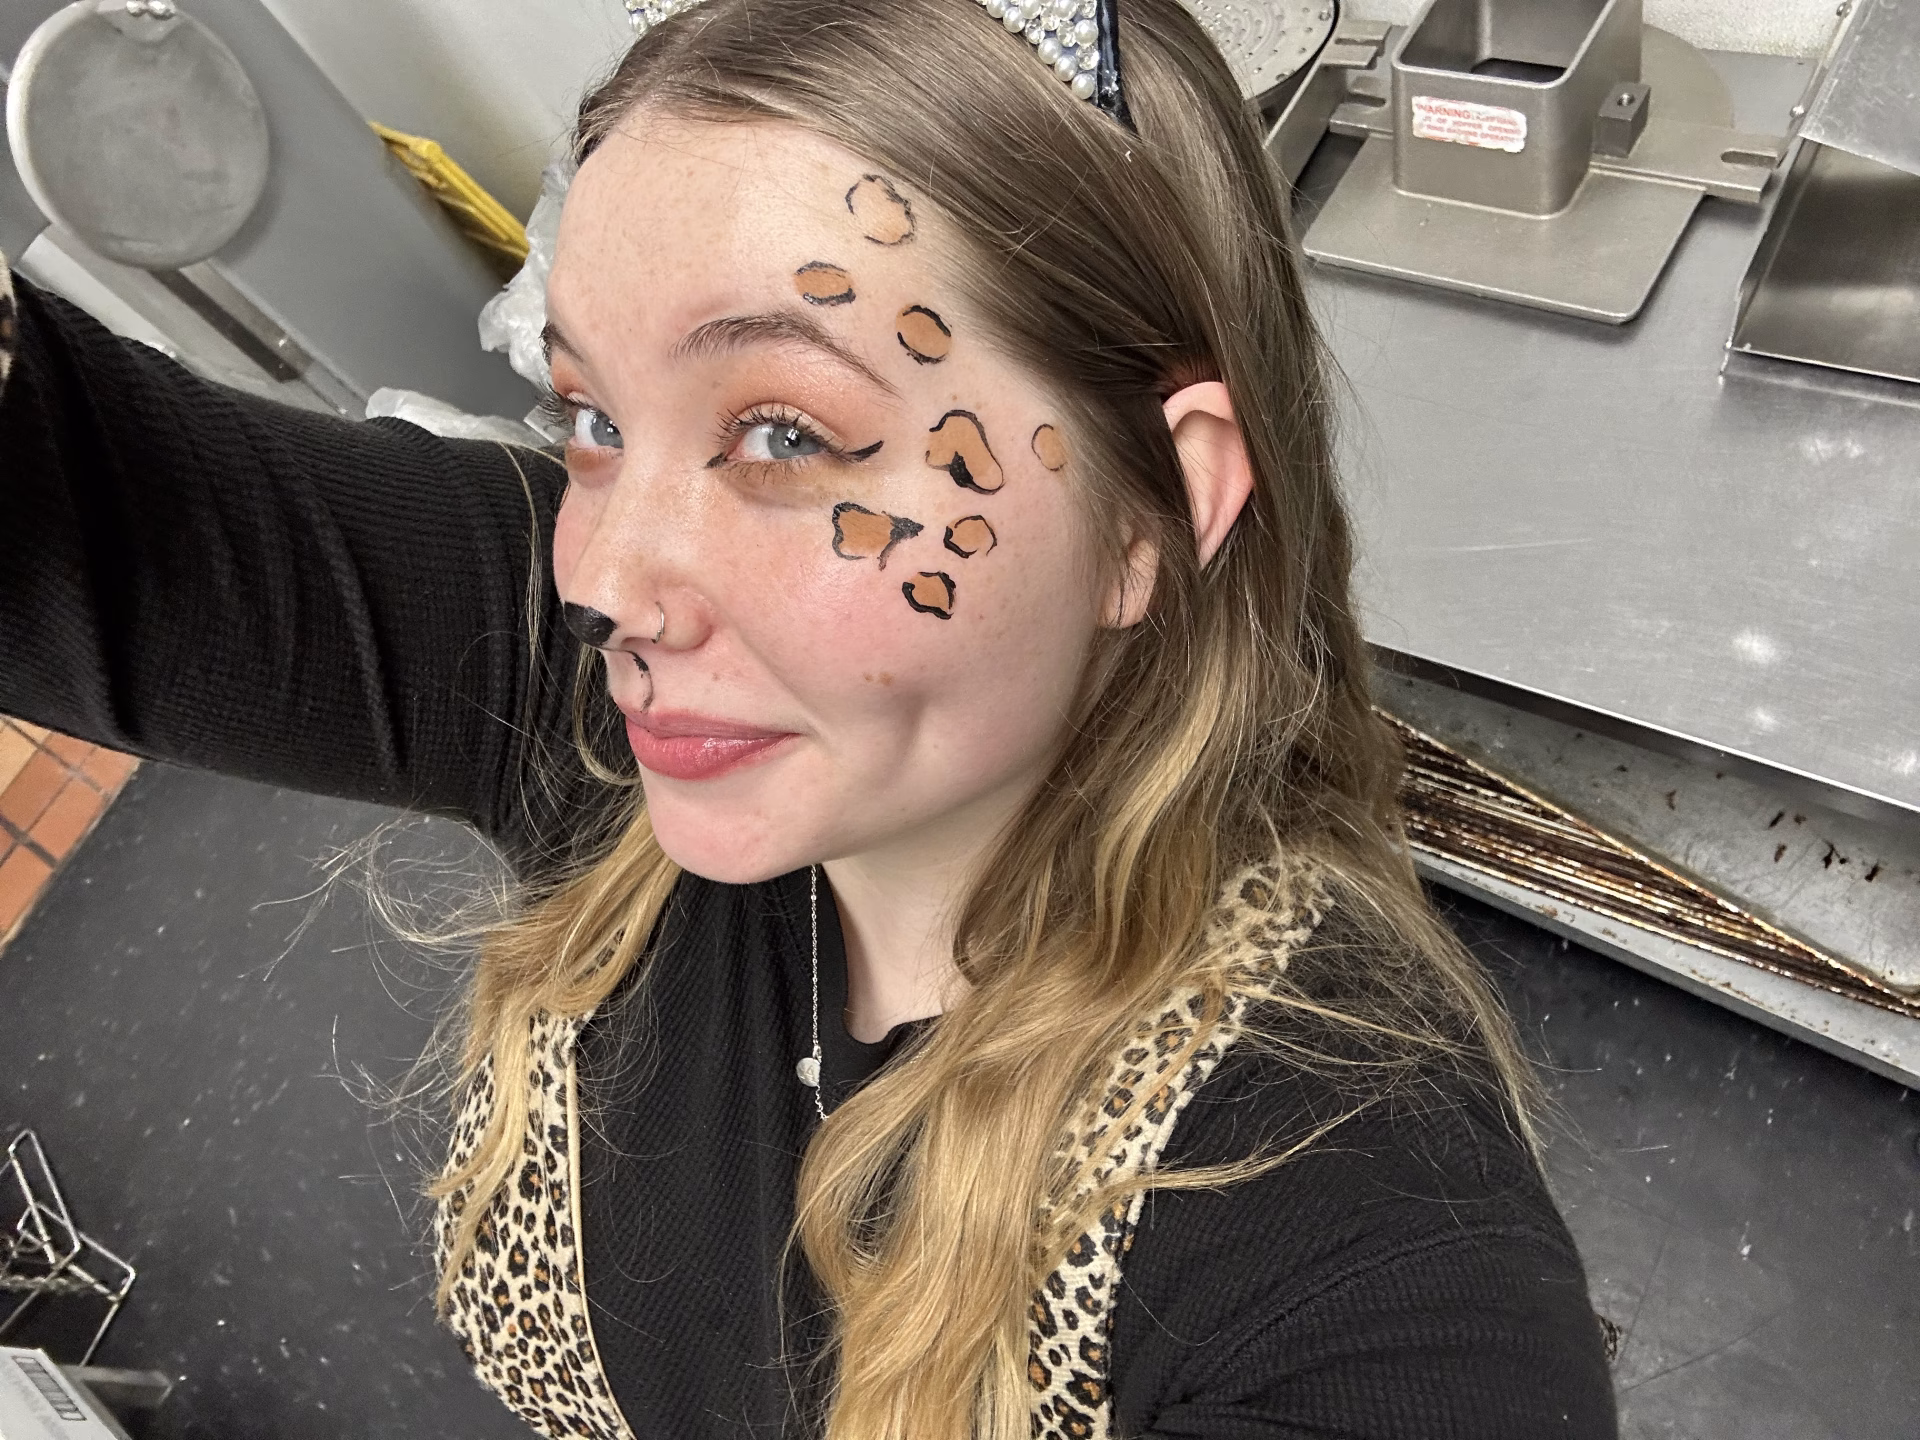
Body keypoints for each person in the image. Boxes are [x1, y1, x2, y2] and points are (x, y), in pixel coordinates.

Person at [0, 0, 1619, 1435]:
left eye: (783, 434)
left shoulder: (1336, 1196)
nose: (605, 581)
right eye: (592, 417)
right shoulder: (599, 713)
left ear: (1154, 513)